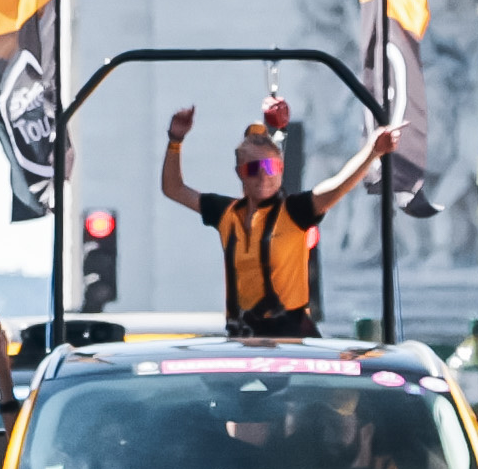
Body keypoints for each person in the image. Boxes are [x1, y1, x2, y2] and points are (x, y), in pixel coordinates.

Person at [155, 96, 392, 336]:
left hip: (290, 336)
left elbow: (337, 185)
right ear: (240, 173)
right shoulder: (226, 213)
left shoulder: (294, 211)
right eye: (253, 169)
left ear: (280, 169)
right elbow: (173, 188)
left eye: (271, 168)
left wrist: (373, 151)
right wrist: (176, 140)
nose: (263, 177)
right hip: (244, 335)